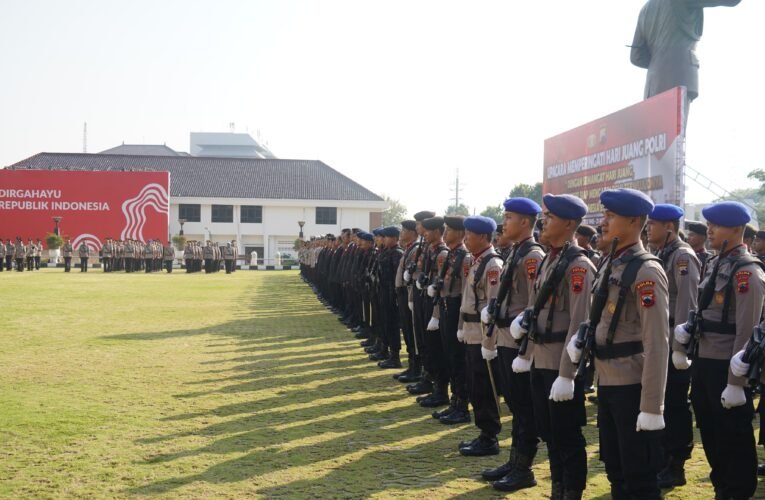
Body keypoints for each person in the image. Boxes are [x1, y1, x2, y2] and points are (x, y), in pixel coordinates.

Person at [569, 189, 670, 499]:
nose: (603, 223)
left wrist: (651, 407)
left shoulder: (645, 271)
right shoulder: (613, 264)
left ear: (634, 220)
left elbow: (657, 343)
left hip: (632, 385)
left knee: (638, 474)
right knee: (615, 467)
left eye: (611, 217)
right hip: (608, 381)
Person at [673, 201, 764, 500]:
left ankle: (737, 490)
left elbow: (747, 329)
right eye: (708, 224)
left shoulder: (746, 272)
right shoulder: (714, 263)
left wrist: (736, 382)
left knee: (733, 436)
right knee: (710, 431)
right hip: (704, 359)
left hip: (728, 365)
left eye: (716, 225)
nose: (709, 230)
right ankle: (722, 486)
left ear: (736, 230)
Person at [513, 193, 594, 500]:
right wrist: (526, 349)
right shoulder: (550, 258)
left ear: (569, 223)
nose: (544, 222)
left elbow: (579, 324)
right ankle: (557, 489)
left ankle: (571, 492)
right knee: (549, 433)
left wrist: (568, 374)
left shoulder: (578, 267)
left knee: (567, 436)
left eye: (551, 217)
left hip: (561, 363)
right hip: (540, 359)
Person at [481, 198, 545, 493]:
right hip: (506, 336)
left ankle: (524, 468)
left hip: (520, 342)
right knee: (515, 405)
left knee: (523, 407)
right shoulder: (515, 252)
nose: (503, 223)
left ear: (524, 222)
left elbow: (535, 300)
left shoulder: (532, 255)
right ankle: (514, 460)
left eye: (509, 217)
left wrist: (526, 347)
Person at [646, 204, 701, 488]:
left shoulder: (682, 256)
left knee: (676, 403)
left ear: (669, 227)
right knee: (659, 400)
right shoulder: (659, 253)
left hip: (672, 339)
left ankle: (676, 464)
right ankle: (662, 457)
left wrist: (681, 345)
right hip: (657, 338)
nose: (648, 229)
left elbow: (688, 304)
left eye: (653, 224)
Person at [630, 0, 741, 128]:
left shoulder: (646, 9)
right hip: (679, 74)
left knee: (658, 139)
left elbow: (636, 57)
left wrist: (659, 62)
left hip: (653, 83)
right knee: (674, 138)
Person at [456, 215, 503, 457]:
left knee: (485, 387)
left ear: (483, 237)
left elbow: (493, 305)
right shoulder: (476, 261)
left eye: (469, 235)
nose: (465, 239)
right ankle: (483, 432)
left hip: (483, 335)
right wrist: (462, 325)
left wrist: (489, 342)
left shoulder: (492, 265)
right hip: (472, 332)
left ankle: (490, 436)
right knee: (475, 385)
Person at [429, 215, 471, 425]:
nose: (445, 232)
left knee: (457, 358)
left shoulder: (464, 257)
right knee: (449, 355)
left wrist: (462, 322)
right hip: (446, 306)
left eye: (450, 229)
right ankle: (454, 401)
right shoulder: (451, 255)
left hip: (456, 308)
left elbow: (465, 291)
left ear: (461, 233)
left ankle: (462, 405)